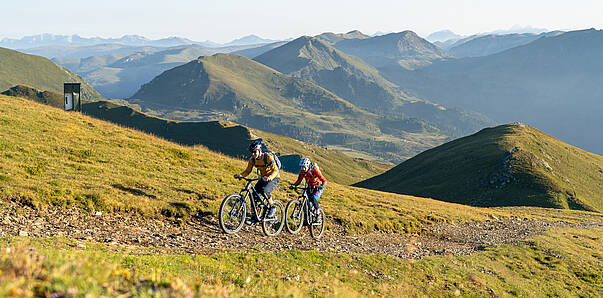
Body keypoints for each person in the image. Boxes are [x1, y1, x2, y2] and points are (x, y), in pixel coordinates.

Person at [234, 141, 280, 223]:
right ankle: (254, 218)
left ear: (260, 150)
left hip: (274, 178)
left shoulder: (268, 157)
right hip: (263, 178)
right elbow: (248, 171)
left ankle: (272, 207)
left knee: (264, 190)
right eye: (251, 152)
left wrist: (270, 177)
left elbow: (275, 170)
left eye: (255, 152)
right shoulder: (252, 160)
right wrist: (240, 175)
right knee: (253, 196)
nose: (253, 154)